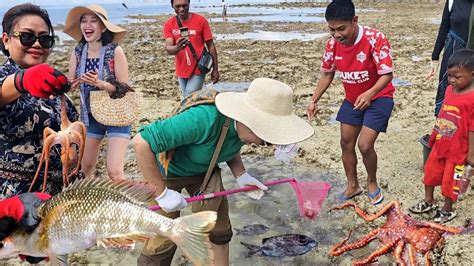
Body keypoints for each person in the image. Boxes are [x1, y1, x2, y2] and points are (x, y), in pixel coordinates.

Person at [133, 78, 314, 265]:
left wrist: (241, 174)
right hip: (166, 173)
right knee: (163, 237)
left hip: (205, 170)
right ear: (248, 118)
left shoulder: (242, 130)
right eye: (265, 139)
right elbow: (141, 142)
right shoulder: (202, 118)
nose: (264, 144)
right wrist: (162, 194)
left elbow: (227, 145)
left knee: (220, 230)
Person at [0, 3, 77, 264]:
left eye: (45, 38)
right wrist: (21, 81)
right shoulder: (4, 78)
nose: (37, 44)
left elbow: (73, 134)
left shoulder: (56, 93)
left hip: (56, 204)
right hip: (12, 208)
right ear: (6, 40)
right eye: (27, 36)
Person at [306, 0, 395, 205]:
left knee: (364, 145)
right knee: (346, 142)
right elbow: (327, 74)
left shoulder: (375, 38)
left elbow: (387, 75)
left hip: (380, 97)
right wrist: (313, 100)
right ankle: (353, 185)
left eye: (341, 29)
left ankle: (372, 183)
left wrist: (370, 94)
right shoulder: (332, 44)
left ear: (354, 21)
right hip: (352, 99)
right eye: (331, 29)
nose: (337, 35)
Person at [64, 4, 130, 181]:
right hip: (91, 117)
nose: (88, 25)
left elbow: (124, 89)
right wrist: (73, 82)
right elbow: (69, 85)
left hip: (117, 116)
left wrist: (99, 83)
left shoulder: (114, 50)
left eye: (94, 21)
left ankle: (127, 206)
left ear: (103, 27)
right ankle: (88, 206)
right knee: (85, 167)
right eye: (84, 21)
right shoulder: (77, 52)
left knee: (114, 171)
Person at [410, 49, 474, 223]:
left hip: (459, 150)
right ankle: (428, 200)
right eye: (449, 75)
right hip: (441, 143)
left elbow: (472, 129)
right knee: (430, 173)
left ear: (472, 74)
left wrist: (471, 154)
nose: (451, 80)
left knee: (451, 181)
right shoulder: (448, 90)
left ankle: (447, 209)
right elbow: (443, 115)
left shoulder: (472, 98)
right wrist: (434, 135)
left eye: (457, 77)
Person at [163, 0, 219, 97]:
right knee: (191, 98)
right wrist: (178, 47)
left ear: (189, 3)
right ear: (172, 5)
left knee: (187, 97)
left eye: (184, 5)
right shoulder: (169, 24)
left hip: (198, 67)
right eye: (177, 6)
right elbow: (169, 49)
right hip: (181, 69)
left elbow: (210, 45)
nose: (181, 9)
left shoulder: (201, 21)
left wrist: (215, 69)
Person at [427, 0, 473, 116]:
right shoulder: (452, 1)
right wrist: (435, 57)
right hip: (453, 54)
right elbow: (444, 26)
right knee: (449, 93)